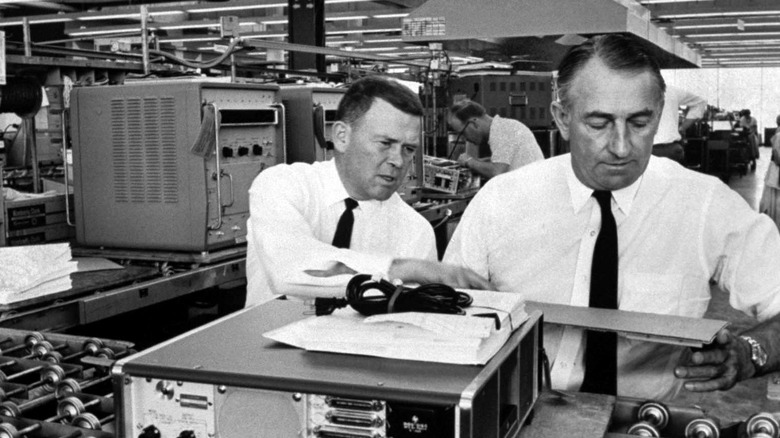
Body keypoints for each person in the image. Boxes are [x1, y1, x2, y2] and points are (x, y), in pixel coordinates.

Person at [443, 34, 780, 400]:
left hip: (639, 420)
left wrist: (751, 352)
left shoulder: (704, 204)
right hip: (515, 416)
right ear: (562, 118)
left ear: (659, 112)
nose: (621, 147)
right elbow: (443, 317)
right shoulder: (501, 201)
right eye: (599, 123)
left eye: (639, 122)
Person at [245, 75, 490, 307]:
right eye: (385, 143)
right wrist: (401, 269)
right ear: (342, 137)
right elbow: (291, 269)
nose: (398, 160)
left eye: (408, 149)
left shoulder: (415, 231)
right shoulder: (282, 186)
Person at [447, 99, 543, 179]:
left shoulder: (502, 130)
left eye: (463, 133)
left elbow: (497, 172)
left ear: (474, 124)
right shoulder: (503, 126)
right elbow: (503, 161)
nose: (465, 138)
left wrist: (469, 161)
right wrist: (477, 162)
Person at [652, 85, 707, 164]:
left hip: (645, 151)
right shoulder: (670, 90)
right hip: (670, 150)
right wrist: (682, 128)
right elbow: (701, 101)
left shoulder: (631, 90)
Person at [760, 115, 780, 228]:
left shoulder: (778, 134)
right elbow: (777, 158)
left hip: (776, 168)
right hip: (777, 170)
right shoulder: (778, 135)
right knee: (775, 199)